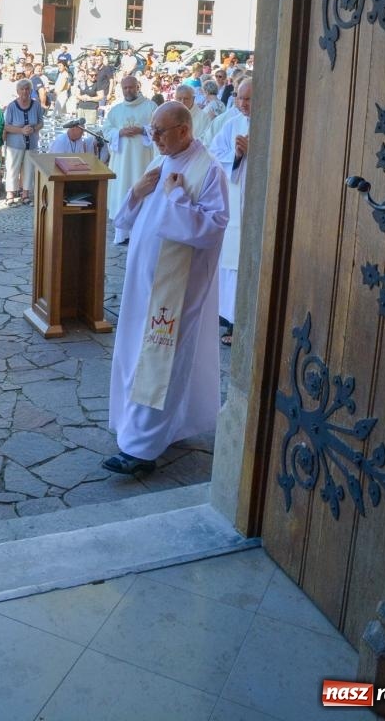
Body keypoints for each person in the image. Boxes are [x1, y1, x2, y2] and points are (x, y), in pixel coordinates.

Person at [103, 101, 229, 474]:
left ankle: (142, 450)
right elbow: (126, 219)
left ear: (184, 130)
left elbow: (213, 228)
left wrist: (176, 197)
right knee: (136, 353)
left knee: (161, 360)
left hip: (177, 287)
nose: (153, 137)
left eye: (159, 131)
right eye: (151, 130)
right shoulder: (160, 161)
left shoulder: (209, 170)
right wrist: (137, 192)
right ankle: (148, 427)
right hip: (143, 282)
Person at [208, 76, 251, 347]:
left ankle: (241, 320)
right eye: (240, 98)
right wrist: (235, 156)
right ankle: (227, 315)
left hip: (253, 202)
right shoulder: (232, 123)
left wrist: (253, 151)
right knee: (230, 258)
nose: (243, 104)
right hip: (234, 202)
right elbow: (214, 153)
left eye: (249, 99)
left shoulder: (270, 124)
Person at [103, 76, 157, 245]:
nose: (128, 90)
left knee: (141, 192)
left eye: (131, 87)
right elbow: (106, 130)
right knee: (122, 191)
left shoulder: (150, 107)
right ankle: (122, 234)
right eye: (125, 88)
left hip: (142, 161)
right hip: (122, 162)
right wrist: (119, 132)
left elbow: (158, 128)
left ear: (137, 87)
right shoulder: (116, 110)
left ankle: (139, 234)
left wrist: (143, 130)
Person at [3, 78, 44, 204]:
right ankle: (10, 194)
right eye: (22, 89)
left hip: (31, 143)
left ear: (31, 91)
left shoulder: (36, 105)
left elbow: (41, 122)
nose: (25, 91)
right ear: (17, 91)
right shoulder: (11, 106)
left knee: (29, 169)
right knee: (12, 168)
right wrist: (21, 130)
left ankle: (25, 194)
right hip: (15, 143)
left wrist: (33, 129)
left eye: (27, 89)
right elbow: (6, 126)